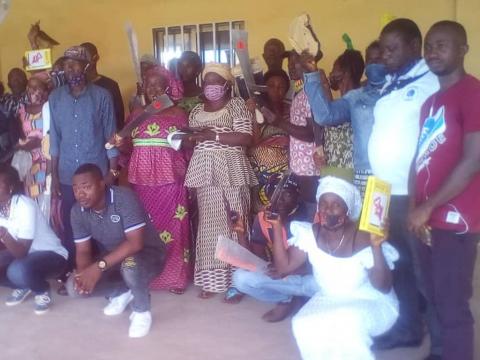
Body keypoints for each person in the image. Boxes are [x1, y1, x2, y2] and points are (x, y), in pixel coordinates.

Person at [408, 21, 480, 360]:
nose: (432, 52)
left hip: (457, 219)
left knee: (452, 304)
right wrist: (414, 206)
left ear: (463, 49)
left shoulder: (473, 92)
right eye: (429, 46)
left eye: (442, 45)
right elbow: (419, 157)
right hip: (426, 218)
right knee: (434, 296)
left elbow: (472, 161)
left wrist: (428, 206)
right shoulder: (430, 103)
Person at [368, 18, 440, 351]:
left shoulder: (433, 83)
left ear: (415, 45)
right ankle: (408, 326)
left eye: (393, 48)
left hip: (415, 193)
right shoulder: (391, 84)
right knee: (399, 264)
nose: (386, 55)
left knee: (429, 271)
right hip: (383, 190)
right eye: (383, 48)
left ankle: (442, 343)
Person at [270, 176, 399, 359]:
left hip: (370, 299)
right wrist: (276, 226)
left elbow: (383, 287)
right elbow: (283, 268)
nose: (328, 209)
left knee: (346, 322)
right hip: (330, 297)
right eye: (324, 203)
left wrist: (376, 246)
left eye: (336, 204)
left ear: (347, 209)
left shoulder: (362, 237)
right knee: (302, 323)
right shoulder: (310, 234)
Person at [66, 164, 166, 338]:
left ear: (101, 184)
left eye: (86, 187)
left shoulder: (123, 198)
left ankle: (142, 311)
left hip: (149, 254)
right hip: (115, 257)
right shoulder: (77, 211)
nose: (80, 194)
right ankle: (121, 291)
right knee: (73, 287)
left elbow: (135, 243)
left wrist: (98, 267)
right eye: (76, 189)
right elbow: (82, 251)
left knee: (130, 266)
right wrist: (84, 274)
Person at [185, 62, 257, 299]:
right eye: (207, 82)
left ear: (227, 85)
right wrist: (186, 137)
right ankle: (212, 279)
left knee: (236, 223)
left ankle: (239, 281)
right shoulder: (196, 111)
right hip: (205, 171)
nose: (211, 86)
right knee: (210, 225)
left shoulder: (236, 106)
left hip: (232, 168)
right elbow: (192, 138)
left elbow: (246, 138)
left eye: (216, 82)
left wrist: (213, 135)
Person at [49, 46, 119, 272]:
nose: (70, 69)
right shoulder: (55, 98)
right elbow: (55, 141)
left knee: (103, 224)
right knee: (72, 225)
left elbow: (111, 137)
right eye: (66, 64)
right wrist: (55, 177)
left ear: (86, 67)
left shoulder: (102, 96)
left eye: (75, 64)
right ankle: (75, 270)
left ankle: (107, 271)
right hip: (68, 173)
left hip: (97, 173)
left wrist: (113, 171)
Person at [121, 65, 190, 294]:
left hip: (170, 181)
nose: (153, 89)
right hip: (141, 182)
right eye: (149, 85)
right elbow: (128, 147)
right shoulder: (137, 113)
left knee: (174, 228)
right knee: (147, 230)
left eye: (158, 85)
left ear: (167, 87)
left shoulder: (178, 114)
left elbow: (189, 147)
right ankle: (147, 276)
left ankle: (175, 277)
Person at [302, 41, 387, 196]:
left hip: (391, 173)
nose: (374, 65)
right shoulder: (356, 99)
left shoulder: (400, 93)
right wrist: (312, 74)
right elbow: (325, 115)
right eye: (370, 61)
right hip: (358, 176)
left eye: (379, 60)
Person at [232, 173, 315, 321]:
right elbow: (257, 260)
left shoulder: (311, 216)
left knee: (324, 286)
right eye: (274, 194)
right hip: (286, 275)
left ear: (298, 196)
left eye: (287, 195)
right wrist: (241, 233)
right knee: (240, 278)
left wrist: (288, 271)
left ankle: (309, 302)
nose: (280, 201)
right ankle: (286, 298)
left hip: (311, 276)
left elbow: (325, 264)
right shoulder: (264, 217)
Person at [0, 164, 68, 314]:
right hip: (27, 255)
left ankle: (42, 290)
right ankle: (22, 286)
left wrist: (3, 233)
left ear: (10, 187)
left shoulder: (25, 206)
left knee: (16, 270)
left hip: (52, 256)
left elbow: (21, 253)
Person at [280, 50, 319, 217]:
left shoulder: (310, 92)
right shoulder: (299, 92)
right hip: (301, 166)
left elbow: (311, 133)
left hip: (310, 166)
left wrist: (279, 122)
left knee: (312, 210)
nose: (290, 68)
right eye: (288, 65)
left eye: (294, 64)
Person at [246, 69, 290, 208]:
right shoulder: (255, 109)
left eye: (281, 87)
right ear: (263, 88)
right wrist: (253, 113)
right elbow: (253, 141)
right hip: (259, 174)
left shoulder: (292, 110)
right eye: (271, 86)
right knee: (260, 214)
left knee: (283, 210)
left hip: (285, 174)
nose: (276, 90)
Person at [15, 76, 50, 199]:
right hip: (30, 161)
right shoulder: (22, 111)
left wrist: (39, 143)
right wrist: (22, 145)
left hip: (46, 159)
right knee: (31, 192)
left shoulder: (49, 108)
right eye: (29, 87)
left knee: (46, 192)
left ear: (45, 90)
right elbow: (20, 135)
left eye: (36, 87)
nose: (32, 90)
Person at [81, 42, 125, 129]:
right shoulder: (76, 87)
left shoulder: (111, 86)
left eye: (85, 56)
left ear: (96, 58)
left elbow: (119, 118)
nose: (82, 61)